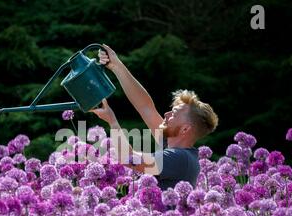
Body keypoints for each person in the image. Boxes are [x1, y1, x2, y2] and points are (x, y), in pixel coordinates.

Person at [92, 44, 219, 190]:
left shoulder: (179, 158)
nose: (166, 114)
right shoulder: (177, 150)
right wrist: (116, 66)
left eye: (174, 114)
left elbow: (128, 158)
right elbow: (146, 108)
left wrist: (112, 122)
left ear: (184, 129)